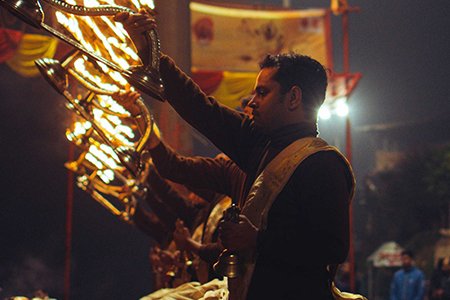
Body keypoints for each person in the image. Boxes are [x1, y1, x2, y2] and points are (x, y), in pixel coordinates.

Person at [115, 11, 355, 300]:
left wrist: (258, 240)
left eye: (262, 93)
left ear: (293, 98)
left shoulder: (323, 164)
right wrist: (148, 50)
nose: (250, 102)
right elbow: (201, 108)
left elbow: (332, 248)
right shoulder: (258, 143)